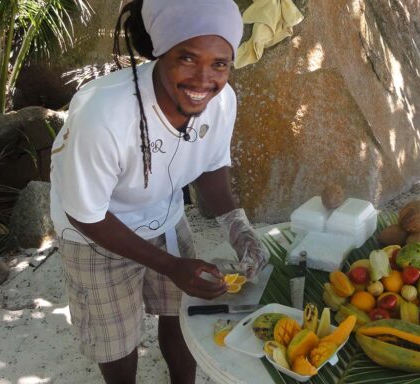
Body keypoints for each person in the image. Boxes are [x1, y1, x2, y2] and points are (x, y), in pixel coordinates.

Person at [49, 1, 268, 383]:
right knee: (116, 339)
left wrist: (240, 230)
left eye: (220, 63)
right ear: (159, 52)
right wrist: (170, 265)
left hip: (163, 215)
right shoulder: (104, 114)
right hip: (95, 232)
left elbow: (212, 169)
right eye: (187, 57)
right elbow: (86, 214)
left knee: (179, 311)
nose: (204, 79)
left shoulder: (222, 101)